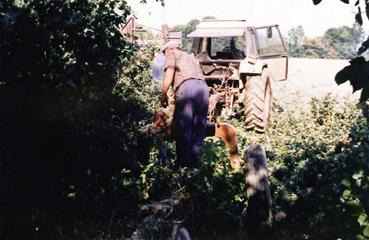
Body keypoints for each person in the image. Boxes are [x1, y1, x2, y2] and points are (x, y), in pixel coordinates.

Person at [159, 41, 209, 169]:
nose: (165, 56)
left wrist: (163, 94)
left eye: (164, 53)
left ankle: (183, 166)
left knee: (184, 127)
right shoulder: (191, 57)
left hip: (187, 88)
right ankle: (196, 164)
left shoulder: (172, 54)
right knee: (199, 127)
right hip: (203, 89)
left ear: (168, 50)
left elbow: (169, 73)